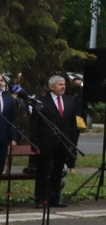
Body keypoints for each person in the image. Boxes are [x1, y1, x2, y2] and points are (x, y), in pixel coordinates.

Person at [33, 74, 80, 208]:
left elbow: (73, 124)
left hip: (64, 142)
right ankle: (41, 198)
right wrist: (34, 144)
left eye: (64, 84)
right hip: (46, 142)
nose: (63, 86)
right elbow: (35, 125)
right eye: (60, 84)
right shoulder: (42, 101)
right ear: (51, 87)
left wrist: (72, 143)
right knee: (43, 171)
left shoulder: (70, 101)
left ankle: (55, 198)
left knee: (58, 171)